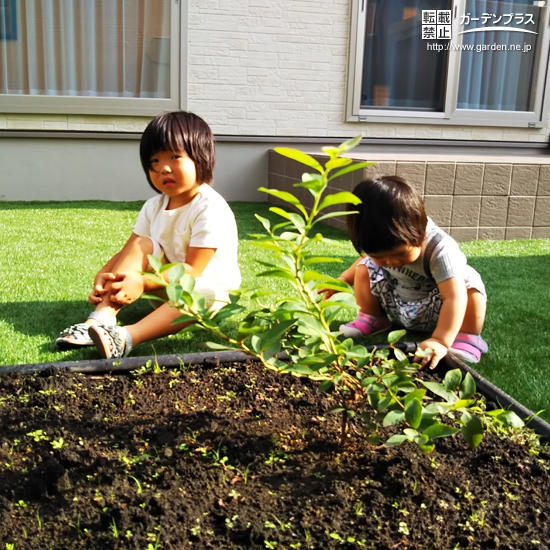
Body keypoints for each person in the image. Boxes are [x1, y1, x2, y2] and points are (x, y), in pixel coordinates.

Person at [56, 111, 241, 359]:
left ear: (201, 158)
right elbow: (132, 248)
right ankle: (100, 319)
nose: (164, 168)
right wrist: (104, 274)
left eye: (175, 157)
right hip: (165, 289)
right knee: (143, 242)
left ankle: (126, 337)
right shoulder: (154, 205)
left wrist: (142, 282)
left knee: (203, 291)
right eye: (154, 161)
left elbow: (192, 270)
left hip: (207, 298)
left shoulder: (210, 208)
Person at [333, 176, 487, 369]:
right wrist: (341, 281)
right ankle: (372, 318)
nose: (391, 262)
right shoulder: (380, 251)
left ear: (418, 232)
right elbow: (364, 259)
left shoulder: (439, 249)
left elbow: (453, 298)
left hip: (438, 310)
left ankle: (467, 335)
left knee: (468, 284)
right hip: (400, 306)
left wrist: (440, 340)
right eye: (380, 257)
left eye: (399, 254)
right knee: (364, 267)